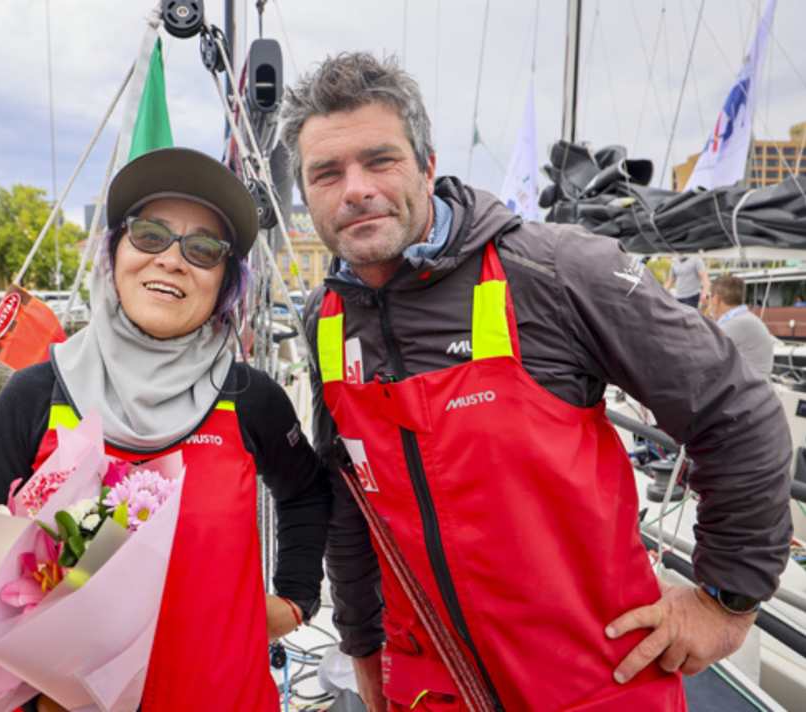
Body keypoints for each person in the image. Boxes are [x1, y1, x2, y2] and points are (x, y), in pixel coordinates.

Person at [280, 53, 791, 711]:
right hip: (429, 688)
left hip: (592, 684)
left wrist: (727, 599)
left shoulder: (554, 271)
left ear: (427, 166)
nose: (355, 188)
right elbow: (350, 503)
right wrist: (361, 647)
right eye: (327, 173)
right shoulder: (325, 320)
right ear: (307, 193)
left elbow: (735, 408)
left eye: (380, 160)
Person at [0, 147, 330, 711]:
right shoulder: (37, 395)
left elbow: (307, 492)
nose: (172, 260)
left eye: (203, 248)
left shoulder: (250, 399)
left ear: (224, 282)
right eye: (150, 234)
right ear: (113, 254)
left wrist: (296, 597)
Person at [708, 274, 775, 377]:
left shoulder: (735, 324)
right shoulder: (745, 319)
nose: (709, 301)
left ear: (716, 299)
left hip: (748, 389)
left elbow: (703, 353)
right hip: (755, 385)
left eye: (709, 297)